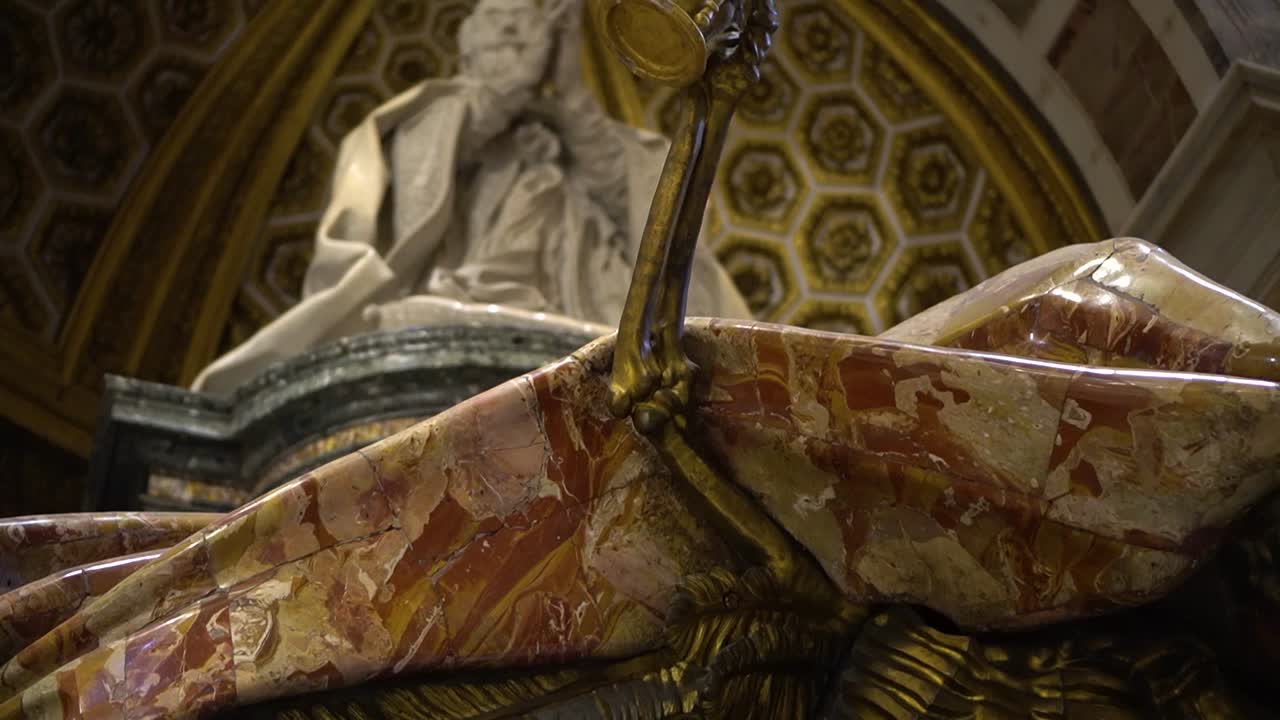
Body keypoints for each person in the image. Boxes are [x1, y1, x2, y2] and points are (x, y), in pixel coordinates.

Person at [192, 0, 750, 394]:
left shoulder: (583, 136)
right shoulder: (434, 116)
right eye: (504, 30)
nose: (520, 42)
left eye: (531, 34)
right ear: (469, 52)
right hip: (456, 291)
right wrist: (504, 97)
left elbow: (651, 218)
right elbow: (413, 193)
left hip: (575, 303)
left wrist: (570, 99)